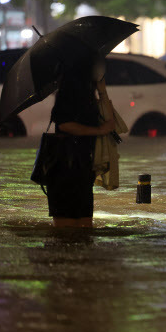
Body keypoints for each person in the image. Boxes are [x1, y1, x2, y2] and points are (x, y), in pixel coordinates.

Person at [46, 57, 116, 228]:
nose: (101, 69)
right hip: (64, 167)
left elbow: (111, 124)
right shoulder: (68, 91)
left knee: (85, 228)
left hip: (83, 167)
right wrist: (98, 131)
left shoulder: (89, 93)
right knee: (66, 230)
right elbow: (64, 123)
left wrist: (103, 91)